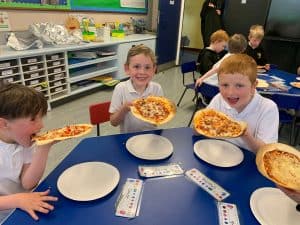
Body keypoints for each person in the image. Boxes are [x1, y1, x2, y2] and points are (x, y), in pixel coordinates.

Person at [0, 81, 58, 222]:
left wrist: (44, 147)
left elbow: (28, 184)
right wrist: (17, 199)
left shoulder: (23, 141)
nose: (41, 125)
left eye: (41, 118)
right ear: (4, 124)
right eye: (33, 119)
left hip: (25, 206)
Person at [206, 54, 279, 153]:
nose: (230, 93)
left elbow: (266, 152)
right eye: (225, 85)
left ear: (253, 86)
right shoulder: (219, 99)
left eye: (239, 85)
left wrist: (244, 134)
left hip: (250, 164)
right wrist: (203, 124)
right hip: (219, 156)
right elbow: (198, 131)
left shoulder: (267, 108)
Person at [109, 44, 163, 133]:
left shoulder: (157, 89)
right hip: (127, 137)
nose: (142, 72)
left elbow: (159, 118)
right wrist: (124, 109)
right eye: (136, 67)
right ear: (127, 69)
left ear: (154, 70)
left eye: (147, 67)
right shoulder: (120, 89)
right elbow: (113, 122)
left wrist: (154, 111)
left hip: (151, 136)